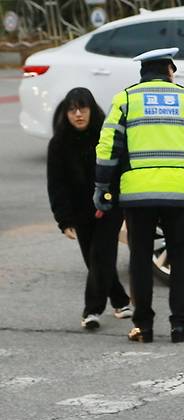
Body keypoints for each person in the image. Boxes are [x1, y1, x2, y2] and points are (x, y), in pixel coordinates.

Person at [94, 48, 184, 343]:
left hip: (137, 195)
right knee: (180, 259)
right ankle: (181, 326)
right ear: (170, 69)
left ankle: (143, 326)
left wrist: (102, 187)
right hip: (177, 193)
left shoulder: (126, 99)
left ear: (142, 72)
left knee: (140, 259)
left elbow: (107, 147)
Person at [47, 87, 132, 330]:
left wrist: (120, 201)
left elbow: (120, 171)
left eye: (82, 108)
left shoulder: (107, 136)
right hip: (79, 211)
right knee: (93, 260)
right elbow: (56, 185)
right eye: (72, 110)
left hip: (109, 206)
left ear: (91, 110)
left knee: (101, 254)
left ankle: (92, 310)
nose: (78, 115)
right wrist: (63, 220)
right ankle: (120, 300)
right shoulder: (58, 144)